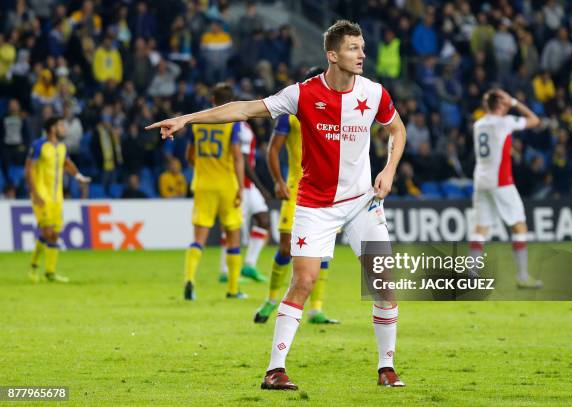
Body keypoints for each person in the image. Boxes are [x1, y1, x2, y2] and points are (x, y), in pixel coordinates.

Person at [146, 20, 407, 390]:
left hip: (363, 203)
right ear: (332, 55)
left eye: (362, 47)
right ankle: (275, 370)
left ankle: (386, 368)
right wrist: (187, 118)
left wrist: (389, 169)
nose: (362, 54)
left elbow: (397, 129)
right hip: (315, 206)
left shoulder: (375, 93)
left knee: (383, 283)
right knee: (303, 281)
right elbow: (243, 109)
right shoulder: (302, 94)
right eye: (353, 48)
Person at [253, 67, 339, 325]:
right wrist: (279, 181)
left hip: (327, 192)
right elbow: (272, 151)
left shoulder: (336, 112)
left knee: (321, 252)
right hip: (296, 190)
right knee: (285, 247)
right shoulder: (290, 115)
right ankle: (270, 300)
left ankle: (317, 309)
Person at [469, 89, 542, 288]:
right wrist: (515, 102)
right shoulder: (505, 122)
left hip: (481, 180)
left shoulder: (479, 124)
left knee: (480, 228)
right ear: (501, 104)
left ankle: (471, 275)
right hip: (501, 181)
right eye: (504, 102)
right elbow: (535, 120)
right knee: (519, 226)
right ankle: (522, 277)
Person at [181, 83, 246, 301]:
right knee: (233, 237)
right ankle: (233, 289)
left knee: (199, 238)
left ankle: (189, 279)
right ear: (230, 103)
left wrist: (201, 164)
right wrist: (241, 187)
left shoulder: (198, 123)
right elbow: (237, 156)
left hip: (203, 184)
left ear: (212, 100)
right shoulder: (232, 124)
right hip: (227, 185)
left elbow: (189, 156)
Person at [25, 117, 91, 283]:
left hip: (57, 198)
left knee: (53, 235)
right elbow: (29, 170)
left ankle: (50, 273)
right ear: (52, 128)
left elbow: (67, 163)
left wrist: (79, 176)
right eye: (61, 125)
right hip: (41, 195)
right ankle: (33, 267)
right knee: (48, 232)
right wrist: (35, 193)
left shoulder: (62, 147)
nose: (64, 128)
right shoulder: (39, 145)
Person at [218, 120, 270, 284]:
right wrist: (261, 186)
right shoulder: (241, 128)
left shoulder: (245, 127)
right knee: (233, 228)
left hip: (249, 187)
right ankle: (225, 271)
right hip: (239, 184)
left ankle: (249, 264)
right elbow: (244, 161)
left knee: (264, 220)